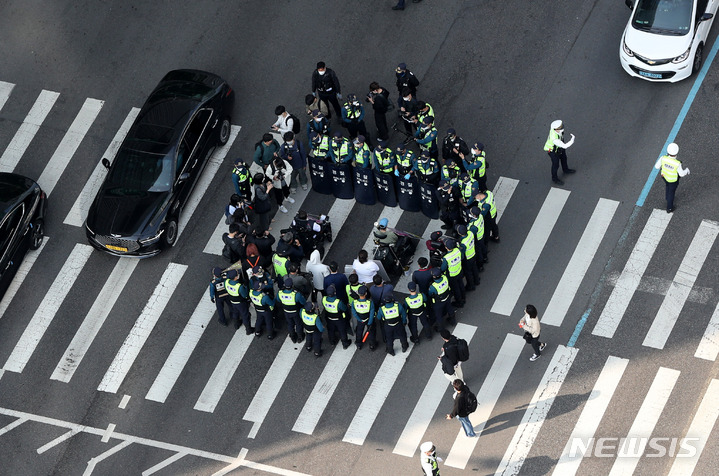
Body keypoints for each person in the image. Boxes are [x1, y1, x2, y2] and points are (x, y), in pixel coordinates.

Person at [654, 142, 689, 213]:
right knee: (671, 193)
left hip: (664, 176)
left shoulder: (663, 158)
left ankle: (667, 197)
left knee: (667, 186)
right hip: (673, 180)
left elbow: (657, 166)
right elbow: (681, 174)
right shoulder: (677, 163)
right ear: (677, 152)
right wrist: (686, 171)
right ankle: (669, 208)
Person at [544, 119, 576, 185]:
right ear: (556, 129)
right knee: (555, 165)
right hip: (553, 151)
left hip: (558, 148)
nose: (562, 128)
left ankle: (565, 169)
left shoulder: (556, 131)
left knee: (564, 158)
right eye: (560, 128)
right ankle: (554, 178)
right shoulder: (554, 138)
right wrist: (572, 140)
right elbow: (565, 146)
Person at [276, 278, 306, 343]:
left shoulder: (280, 293)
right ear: (292, 285)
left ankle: (292, 336)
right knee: (298, 324)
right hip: (295, 312)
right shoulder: (296, 294)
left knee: (290, 324)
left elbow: (278, 300)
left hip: (286, 311)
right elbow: (303, 302)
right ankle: (300, 336)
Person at [441, 238, 466, 307]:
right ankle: (463, 297)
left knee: (456, 289)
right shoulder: (457, 250)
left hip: (452, 275)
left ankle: (459, 302)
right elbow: (462, 257)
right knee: (461, 284)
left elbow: (443, 268)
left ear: (446, 247)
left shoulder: (446, 257)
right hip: (459, 270)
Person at [351, 285, 377, 350]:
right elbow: (372, 313)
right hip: (368, 319)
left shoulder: (354, 302)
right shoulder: (369, 302)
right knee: (371, 332)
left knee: (359, 331)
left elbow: (354, 313)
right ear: (366, 294)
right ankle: (372, 345)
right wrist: (370, 322)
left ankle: (358, 344)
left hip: (360, 320)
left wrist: (360, 319)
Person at [456, 225, 480, 292]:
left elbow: (462, 253)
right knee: (474, 268)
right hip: (473, 253)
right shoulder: (470, 233)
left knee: (468, 272)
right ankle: (477, 280)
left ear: (460, 233)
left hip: (468, 258)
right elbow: (475, 229)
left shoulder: (463, 243)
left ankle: (471, 285)